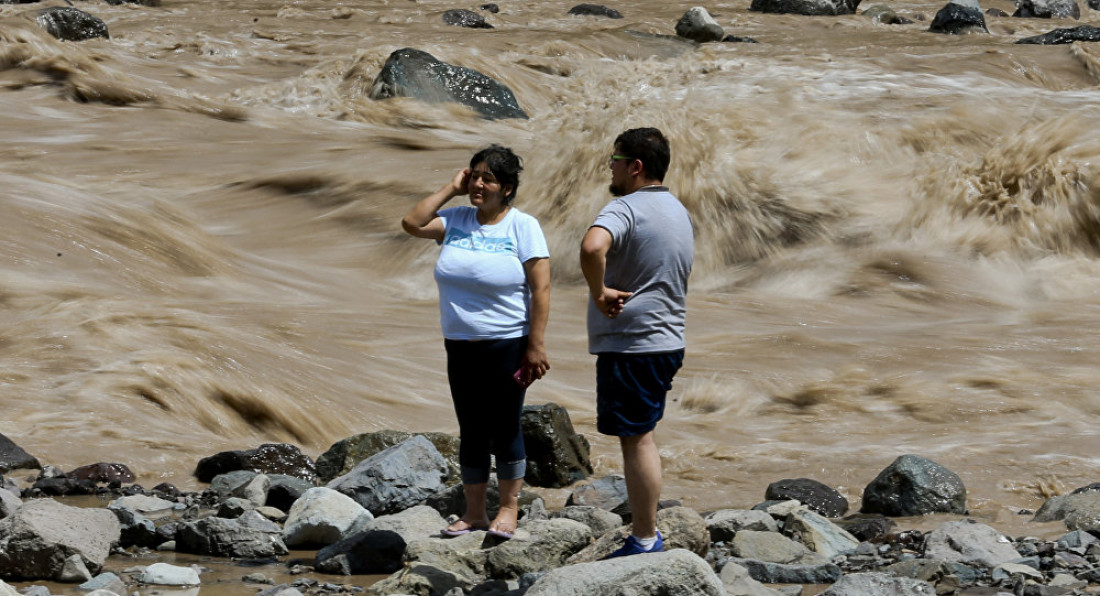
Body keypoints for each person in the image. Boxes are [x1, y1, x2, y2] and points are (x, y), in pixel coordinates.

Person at [401, 144, 550, 539]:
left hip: (507, 343)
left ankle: (508, 509)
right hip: (460, 342)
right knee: (470, 427)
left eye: (488, 178)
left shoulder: (522, 226)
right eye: (475, 175)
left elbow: (542, 288)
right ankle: (473, 513)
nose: (479, 184)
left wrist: (535, 346)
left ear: (508, 187)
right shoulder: (456, 219)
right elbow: (412, 223)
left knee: (505, 426)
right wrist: (451, 189)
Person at [579, 127, 693, 557]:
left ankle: (645, 538)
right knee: (642, 433)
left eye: (615, 158)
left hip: (633, 344)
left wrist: (599, 291)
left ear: (636, 166)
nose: (610, 166)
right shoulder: (678, 210)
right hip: (667, 340)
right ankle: (646, 532)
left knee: (637, 438)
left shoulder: (626, 208)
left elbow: (592, 248)